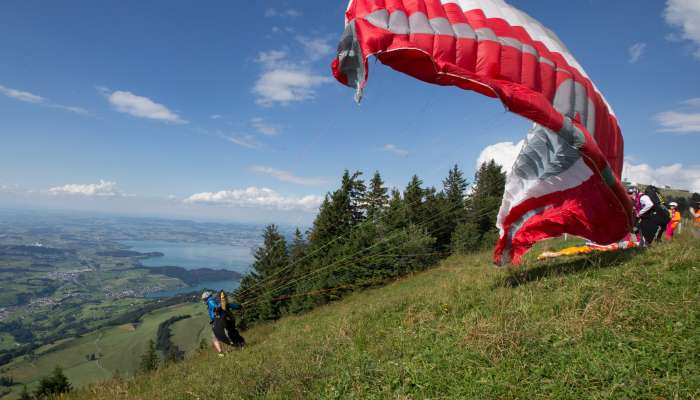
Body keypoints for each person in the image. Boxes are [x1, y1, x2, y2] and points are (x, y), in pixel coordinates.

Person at [201, 291, 244, 356]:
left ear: (206, 298)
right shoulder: (220, 301)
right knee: (233, 331)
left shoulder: (210, 301)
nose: (204, 301)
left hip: (218, 321)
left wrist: (217, 308)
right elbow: (229, 305)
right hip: (229, 320)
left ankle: (221, 352)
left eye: (204, 299)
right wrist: (239, 306)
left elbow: (215, 306)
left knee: (214, 337)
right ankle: (241, 344)